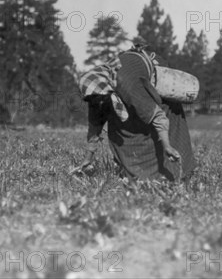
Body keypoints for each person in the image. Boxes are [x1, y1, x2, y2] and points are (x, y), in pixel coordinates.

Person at [76, 44, 196, 181]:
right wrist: (87, 160)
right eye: (93, 100)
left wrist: (167, 146)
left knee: (154, 124)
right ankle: (135, 172)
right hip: (129, 79)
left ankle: (172, 175)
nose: (97, 103)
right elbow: (94, 127)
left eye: (99, 99)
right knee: (119, 129)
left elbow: (159, 117)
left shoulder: (128, 86)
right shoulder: (96, 92)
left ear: (106, 90)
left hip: (147, 78)